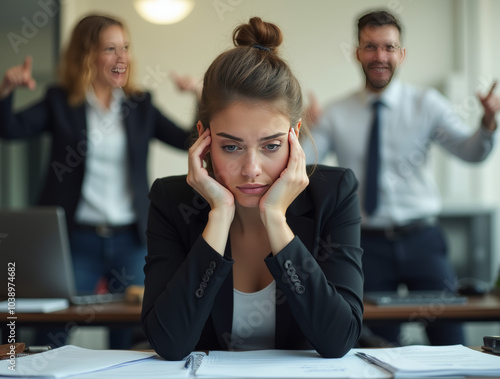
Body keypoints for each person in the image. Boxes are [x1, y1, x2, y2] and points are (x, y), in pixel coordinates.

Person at [141, 17, 364, 361]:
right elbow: (170, 344)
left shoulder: (334, 194)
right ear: (204, 138)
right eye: (231, 147)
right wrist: (219, 216)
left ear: (295, 136)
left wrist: (275, 218)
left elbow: (338, 340)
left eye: (271, 146)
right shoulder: (172, 201)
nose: (251, 169)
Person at [304, 10, 499, 346]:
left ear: (401, 53)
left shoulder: (427, 104)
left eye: (389, 47)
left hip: (422, 238)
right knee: (374, 341)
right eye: (371, 47)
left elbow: (471, 153)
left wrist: (487, 125)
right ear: (357, 52)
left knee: (449, 337)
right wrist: (300, 131)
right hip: (365, 244)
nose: (380, 56)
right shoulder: (335, 113)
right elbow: (305, 165)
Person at [0, 14, 196, 347]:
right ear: (87, 54)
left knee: (133, 331)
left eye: (126, 48)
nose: (122, 58)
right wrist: (6, 89)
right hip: (76, 240)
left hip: (131, 239)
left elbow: (188, 140)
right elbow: (10, 129)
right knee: (54, 329)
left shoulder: (140, 104)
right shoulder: (60, 100)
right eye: (110, 49)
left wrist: (198, 96)